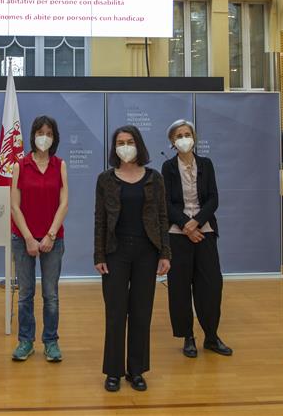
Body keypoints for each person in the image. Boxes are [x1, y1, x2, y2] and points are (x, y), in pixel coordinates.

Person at [94, 125, 171, 392]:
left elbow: (162, 217)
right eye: (119, 142)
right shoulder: (105, 179)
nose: (124, 146)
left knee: (141, 313)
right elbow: (100, 220)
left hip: (147, 253)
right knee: (115, 313)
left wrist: (165, 253)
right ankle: (113, 371)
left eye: (129, 141)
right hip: (115, 253)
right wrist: (99, 254)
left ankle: (136, 370)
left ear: (138, 144)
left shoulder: (154, 177)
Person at [161, 119, 232, 359]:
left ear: (194, 137)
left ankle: (211, 336)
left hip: (205, 232)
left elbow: (213, 198)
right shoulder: (168, 167)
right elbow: (166, 202)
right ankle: (187, 336)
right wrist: (185, 225)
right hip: (177, 234)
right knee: (180, 288)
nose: (183, 138)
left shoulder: (206, 164)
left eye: (187, 134)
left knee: (211, 286)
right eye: (179, 135)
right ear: (172, 141)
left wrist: (197, 222)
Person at [10, 116, 69, 362]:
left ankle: (51, 341)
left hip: (52, 240)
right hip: (23, 239)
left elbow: (64, 202)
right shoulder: (20, 166)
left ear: (54, 138)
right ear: (33, 135)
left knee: (50, 294)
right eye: (40, 132)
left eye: (49, 133)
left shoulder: (60, 165)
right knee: (25, 294)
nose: (44, 137)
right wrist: (29, 238)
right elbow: (14, 206)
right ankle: (25, 341)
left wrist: (50, 235)